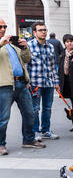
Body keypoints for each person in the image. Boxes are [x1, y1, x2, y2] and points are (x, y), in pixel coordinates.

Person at [0, 18, 46, 155]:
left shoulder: (12, 45)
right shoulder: (2, 44)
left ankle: (28, 140)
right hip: (5, 86)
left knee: (30, 113)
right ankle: (1, 144)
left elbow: (27, 59)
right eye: (0, 26)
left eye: (5, 26)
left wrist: (25, 47)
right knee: (3, 117)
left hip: (21, 83)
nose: (3, 29)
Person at [27, 22, 60, 141]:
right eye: (40, 30)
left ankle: (46, 130)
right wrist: (27, 82)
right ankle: (36, 132)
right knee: (35, 109)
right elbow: (25, 65)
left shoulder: (50, 46)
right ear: (34, 32)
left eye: (45, 30)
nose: (43, 32)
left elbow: (53, 66)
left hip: (49, 83)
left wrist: (56, 82)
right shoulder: (29, 46)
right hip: (35, 83)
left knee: (47, 108)